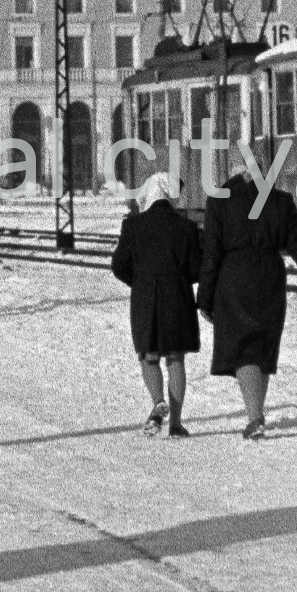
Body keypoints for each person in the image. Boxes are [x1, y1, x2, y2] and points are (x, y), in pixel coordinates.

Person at [197, 161, 297, 441]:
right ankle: (256, 412)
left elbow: (211, 255)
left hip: (234, 278)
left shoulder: (219, 200)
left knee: (243, 347)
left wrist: (205, 299)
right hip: (270, 277)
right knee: (262, 347)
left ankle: (255, 417)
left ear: (236, 172)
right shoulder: (280, 200)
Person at [111, 176, 202, 438]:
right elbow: (196, 267)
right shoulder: (186, 227)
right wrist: (179, 279)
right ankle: (175, 424)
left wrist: (139, 282)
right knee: (175, 359)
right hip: (178, 297)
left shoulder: (133, 226)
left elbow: (119, 266)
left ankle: (157, 401)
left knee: (148, 356)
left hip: (145, 297)